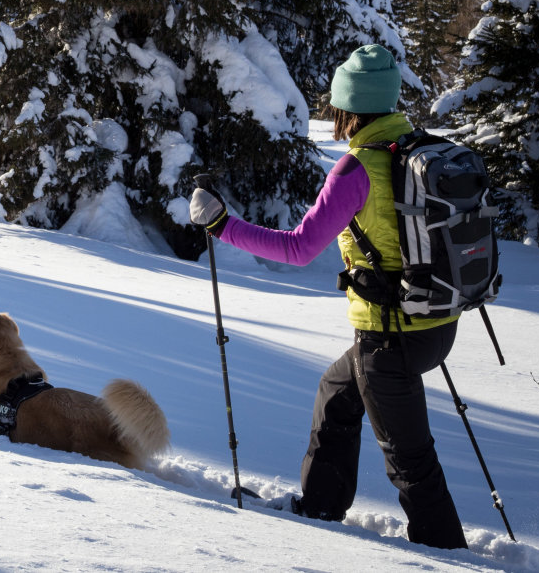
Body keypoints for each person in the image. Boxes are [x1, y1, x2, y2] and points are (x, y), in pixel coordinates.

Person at [189, 44, 467, 550]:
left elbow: (298, 249)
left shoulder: (357, 169)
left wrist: (222, 225)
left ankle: (444, 552)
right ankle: (320, 507)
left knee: (410, 462)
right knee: (337, 393)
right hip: (435, 325)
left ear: (348, 107)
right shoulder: (415, 147)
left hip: (389, 337)